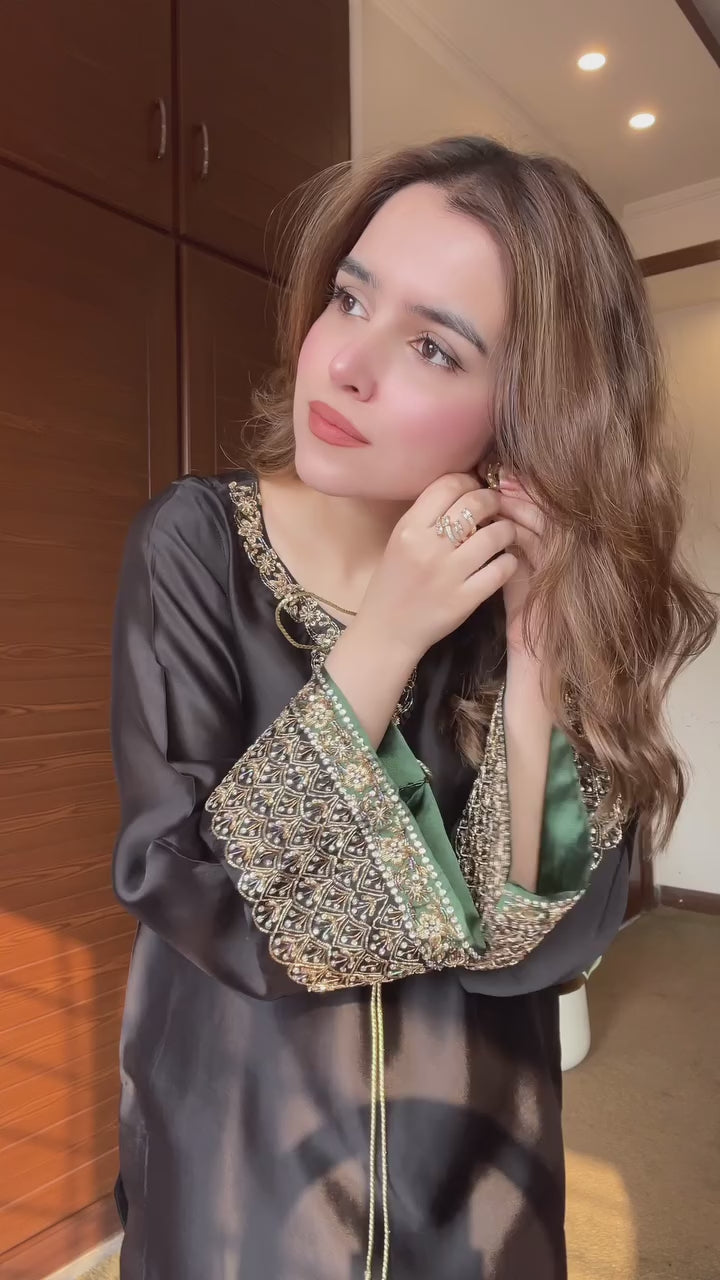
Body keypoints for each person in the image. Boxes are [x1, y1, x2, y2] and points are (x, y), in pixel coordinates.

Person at [110, 136, 715, 1280]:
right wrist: (387, 632)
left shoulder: (533, 592)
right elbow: (190, 887)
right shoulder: (194, 542)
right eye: (350, 298)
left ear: (529, 410)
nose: (343, 362)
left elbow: (539, 951)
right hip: (239, 1163)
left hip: (474, 1176)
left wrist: (536, 662)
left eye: (435, 346)